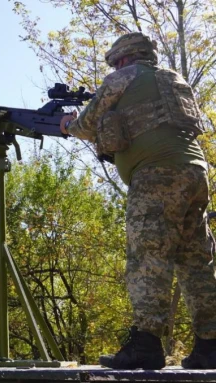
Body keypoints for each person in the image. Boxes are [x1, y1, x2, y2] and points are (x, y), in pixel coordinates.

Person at [60, 32, 216, 370]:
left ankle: (145, 345)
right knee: (195, 260)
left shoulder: (124, 78)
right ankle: (210, 345)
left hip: (157, 175)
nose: (115, 67)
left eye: (117, 61)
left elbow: (86, 125)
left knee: (148, 254)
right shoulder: (174, 80)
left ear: (128, 58)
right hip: (195, 173)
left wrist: (68, 125)